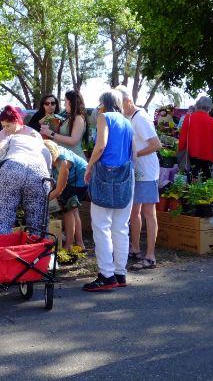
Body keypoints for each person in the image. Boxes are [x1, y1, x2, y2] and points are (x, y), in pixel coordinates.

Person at [82, 90, 134, 291]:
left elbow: (101, 145)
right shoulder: (127, 121)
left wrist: (89, 165)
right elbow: (134, 152)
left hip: (105, 174)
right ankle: (120, 273)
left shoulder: (105, 117)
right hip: (125, 175)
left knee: (101, 226)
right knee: (121, 227)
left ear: (104, 103)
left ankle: (106, 274)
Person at [117, 85, 162, 271]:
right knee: (134, 212)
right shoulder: (131, 117)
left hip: (147, 172)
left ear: (128, 101)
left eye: (120, 104)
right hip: (137, 172)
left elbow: (156, 144)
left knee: (148, 213)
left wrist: (136, 154)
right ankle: (135, 249)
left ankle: (150, 256)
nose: (119, 108)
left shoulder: (141, 118)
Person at [0, 134, 51, 234]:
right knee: (37, 219)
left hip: (12, 166)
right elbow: (49, 174)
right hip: (39, 171)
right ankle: (38, 247)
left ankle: (3, 246)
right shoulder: (43, 147)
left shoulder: (12, 137)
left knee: (3, 216)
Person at [43, 140, 88, 252]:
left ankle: (68, 245)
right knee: (73, 210)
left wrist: (42, 201)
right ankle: (79, 243)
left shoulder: (64, 162)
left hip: (80, 180)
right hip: (71, 179)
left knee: (68, 210)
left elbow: (59, 189)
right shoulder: (51, 151)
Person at [0, 105, 41, 178]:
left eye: (8, 126)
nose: (5, 129)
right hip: (7, 173)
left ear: (16, 121)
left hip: (31, 172)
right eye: (3, 126)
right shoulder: (1, 134)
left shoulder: (31, 133)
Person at [177, 96, 213, 181]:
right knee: (205, 184)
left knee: (191, 183)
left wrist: (180, 151)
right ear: (210, 108)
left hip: (191, 156)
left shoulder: (188, 118)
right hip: (208, 158)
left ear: (197, 105)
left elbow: (182, 140)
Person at [40, 90, 86, 157]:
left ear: (71, 103)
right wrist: (47, 131)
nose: (64, 104)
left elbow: (73, 140)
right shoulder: (69, 117)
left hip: (74, 160)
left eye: (65, 101)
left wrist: (51, 133)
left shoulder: (78, 118)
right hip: (65, 159)